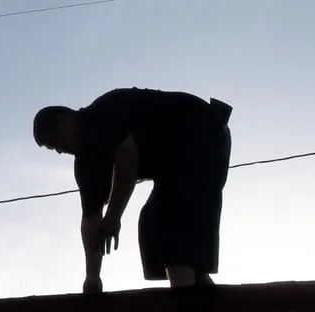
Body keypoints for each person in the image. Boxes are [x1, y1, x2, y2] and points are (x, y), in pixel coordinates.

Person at [32, 88, 232, 294]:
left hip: (202, 131)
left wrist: (113, 217)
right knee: (153, 223)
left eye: (55, 142)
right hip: (176, 162)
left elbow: (127, 160)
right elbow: (91, 222)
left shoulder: (100, 116)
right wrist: (92, 277)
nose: (58, 150)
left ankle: (186, 310)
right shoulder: (86, 167)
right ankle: (203, 298)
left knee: (169, 219)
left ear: (64, 121)